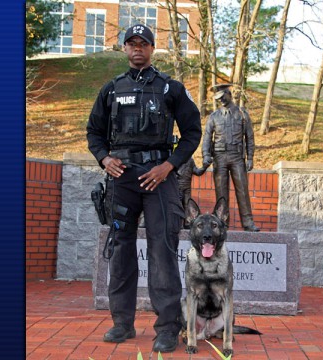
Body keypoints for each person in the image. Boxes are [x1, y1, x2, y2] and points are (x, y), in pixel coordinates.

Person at [86, 24, 201, 353]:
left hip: (159, 179)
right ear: (124, 48)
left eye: (144, 44)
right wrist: (104, 159)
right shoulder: (111, 89)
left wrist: (169, 166)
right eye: (132, 43)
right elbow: (94, 132)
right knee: (120, 249)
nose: (138, 49)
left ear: (152, 49)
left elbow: (192, 133)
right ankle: (122, 323)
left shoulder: (170, 89)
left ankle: (167, 327)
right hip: (121, 180)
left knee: (162, 250)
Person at [201, 84, 260, 232]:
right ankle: (222, 223)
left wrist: (250, 157)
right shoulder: (214, 116)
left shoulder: (242, 114)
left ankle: (248, 222)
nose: (220, 100)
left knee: (242, 190)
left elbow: (250, 137)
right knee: (221, 192)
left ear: (229, 94)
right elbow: (207, 137)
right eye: (218, 98)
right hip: (219, 157)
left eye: (222, 97)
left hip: (237, 157)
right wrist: (206, 155)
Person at [176, 157, 208, 228]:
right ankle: (179, 223)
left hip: (187, 187)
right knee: (178, 204)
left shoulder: (190, 160)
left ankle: (187, 222)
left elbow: (197, 172)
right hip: (178, 186)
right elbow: (172, 171)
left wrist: (204, 167)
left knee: (188, 204)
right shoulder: (177, 157)